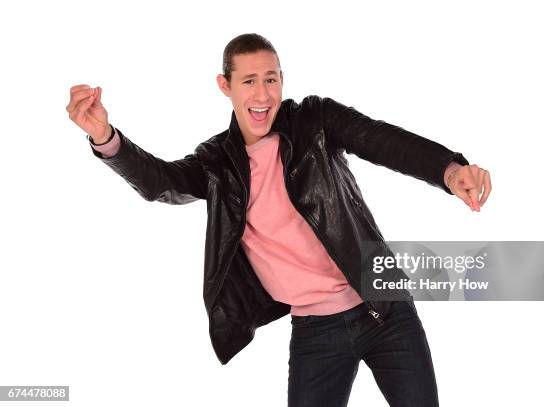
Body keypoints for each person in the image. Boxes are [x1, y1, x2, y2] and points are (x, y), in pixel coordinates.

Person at [66, 33, 491, 407]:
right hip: (315, 331)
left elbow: (382, 140)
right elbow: (161, 183)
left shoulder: (315, 121)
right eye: (249, 81)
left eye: (271, 79)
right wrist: (105, 138)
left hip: (386, 308)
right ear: (225, 86)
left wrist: (449, 170)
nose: (263, 94)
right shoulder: (218, 163)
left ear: (282, 80)